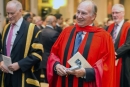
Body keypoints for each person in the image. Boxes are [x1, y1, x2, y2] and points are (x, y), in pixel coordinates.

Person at [47, 0, 115, 87]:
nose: (79, 16)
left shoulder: (104, 37)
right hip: (64, 82)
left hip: (86, 83)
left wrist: (86, 72)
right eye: (78, 12)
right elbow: (53, 54)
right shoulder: (66, 32)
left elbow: (107, 65)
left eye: (83, 13)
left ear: (93, 16)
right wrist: (56, 66)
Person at [0, 1, 43, 87]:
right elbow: (1, 50)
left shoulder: (32, 29)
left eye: (12, 13)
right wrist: (1, 62)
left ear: (20, 11)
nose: (9, 16)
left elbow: (37, 54)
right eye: (7, 13)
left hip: (23, 77)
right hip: (6, 76)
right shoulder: (6, 28)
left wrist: (19, 64)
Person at [107, 4, 130, 87]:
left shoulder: (128, 27)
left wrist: (115, 54)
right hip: (110, 61)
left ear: (123, 13)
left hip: (124, 60)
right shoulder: (109, 28)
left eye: (117, 13)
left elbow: (128, 44)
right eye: (113, 13)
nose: (114, 15)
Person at [41, 15, 60, 83]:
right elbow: (58, 48)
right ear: (53, 22)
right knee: (52, 82)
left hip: (42, 60)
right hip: (51, 61)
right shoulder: (54, 33)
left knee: (46, 81)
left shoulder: (40, 31)